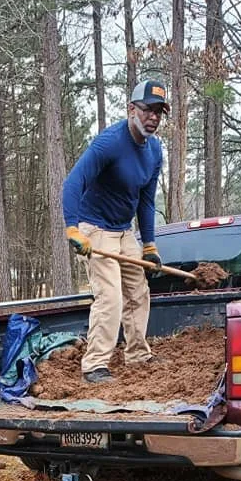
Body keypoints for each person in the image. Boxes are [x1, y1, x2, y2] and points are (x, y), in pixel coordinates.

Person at [62, 79, 169, 383]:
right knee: (110, 297)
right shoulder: (110, 142)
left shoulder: (154, 150)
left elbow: (146, 201)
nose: (153, 117)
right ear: (132, 109)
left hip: (125, 232)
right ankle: (94, 364)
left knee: (138, 292)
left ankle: (138, 354)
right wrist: (73, 228)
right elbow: (73, 183)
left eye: (159, 112)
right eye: (148, 110)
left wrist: (148, 243)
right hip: (95, 228)